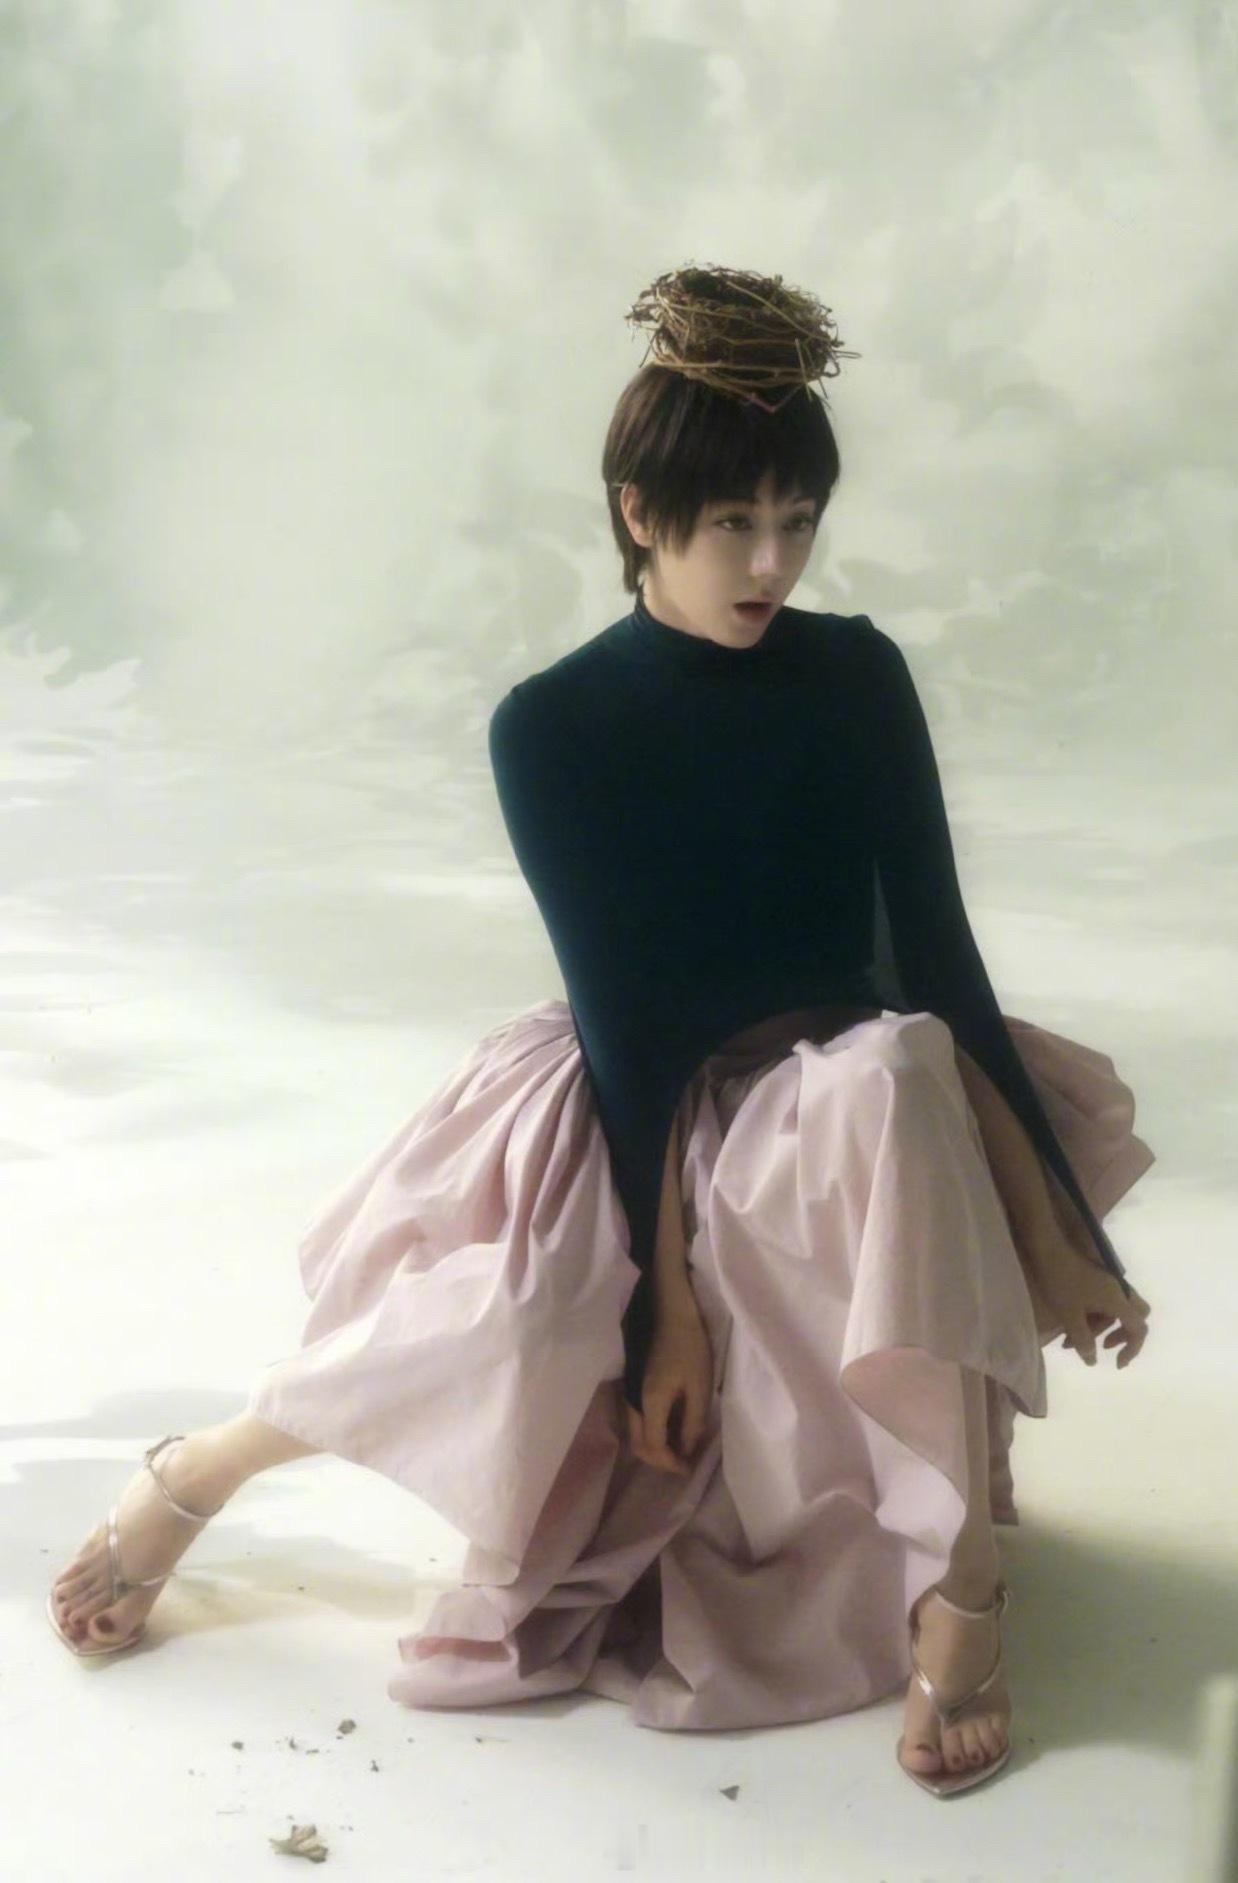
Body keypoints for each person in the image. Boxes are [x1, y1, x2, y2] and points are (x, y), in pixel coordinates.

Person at [47, 263, 1153, 1799]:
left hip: (856, 1102)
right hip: (647, 1097)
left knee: (898, 1077)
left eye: (798, 522)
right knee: (506, 1318)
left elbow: (940, 976)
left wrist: (1062, 1229)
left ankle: (963, 1600)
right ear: (641, 513)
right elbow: (634, 1028)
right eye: (733, 525)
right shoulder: (555, 726)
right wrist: (664, 1312)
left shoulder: (857, 674)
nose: (771, 563)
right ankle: (204, 1469)